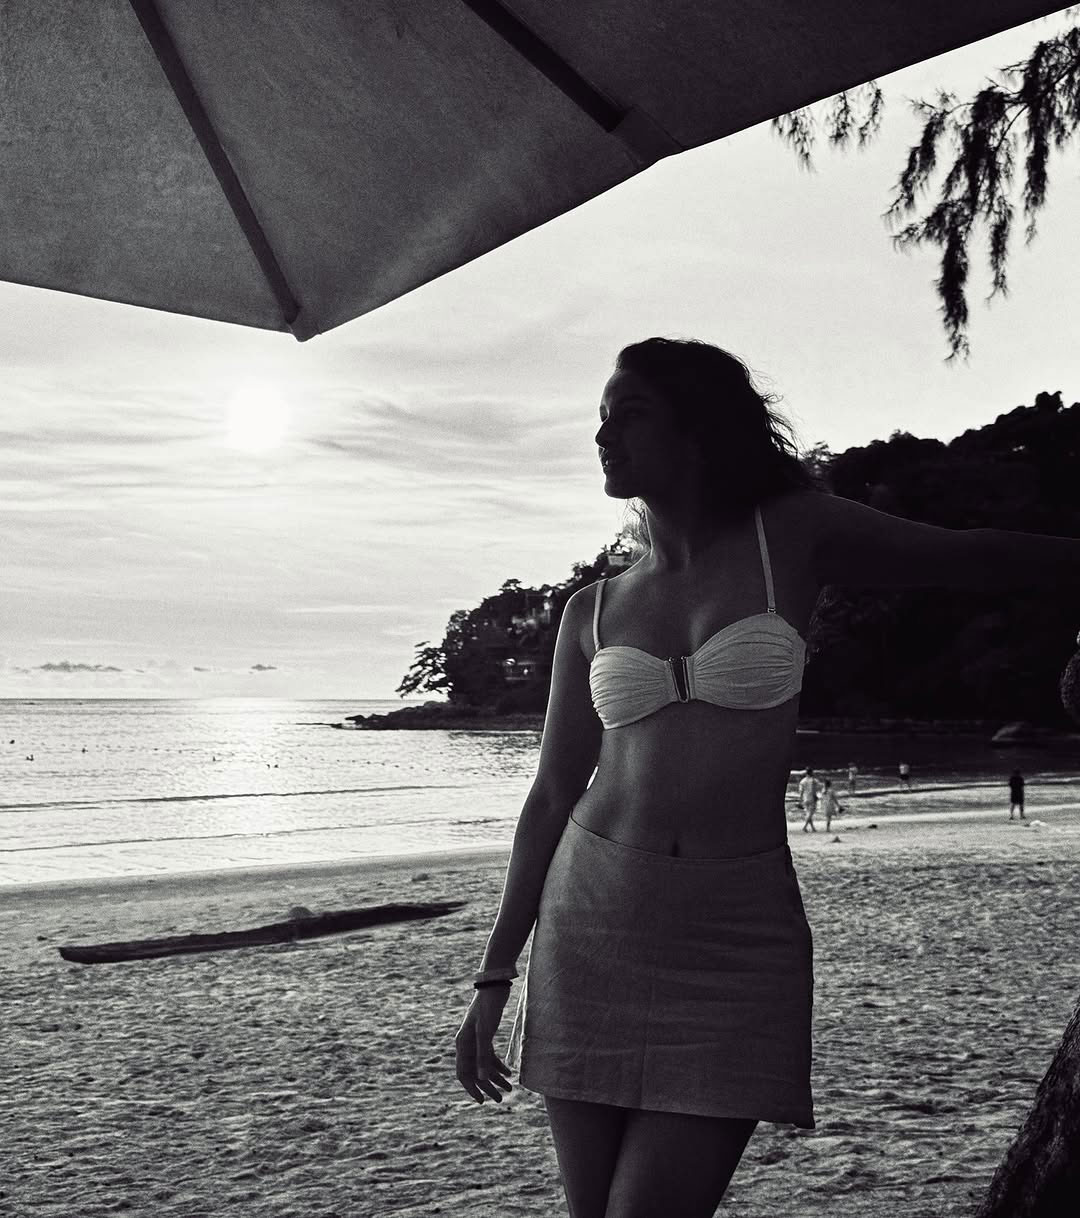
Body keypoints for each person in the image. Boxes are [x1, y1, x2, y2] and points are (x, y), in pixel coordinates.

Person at [454, 337, 1080, 1217]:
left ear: (698, 428)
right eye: (600, 418)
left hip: (734, 935)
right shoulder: (591, 609)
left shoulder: (788, 534)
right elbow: (553, 795)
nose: (603, 436)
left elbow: (965, 555)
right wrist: (493, 978)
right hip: (590, 922)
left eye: (629, 414)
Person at [798, 767, 822, 833]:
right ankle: (805, 827)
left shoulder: (802, 781)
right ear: (811, 772)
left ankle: (813, 828)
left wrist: (800, 800)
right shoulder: (814, 780)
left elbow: (801, 792)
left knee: (808, 813)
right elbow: (819, 787)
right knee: (810, 813)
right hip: (812, 798)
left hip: (805, 798)